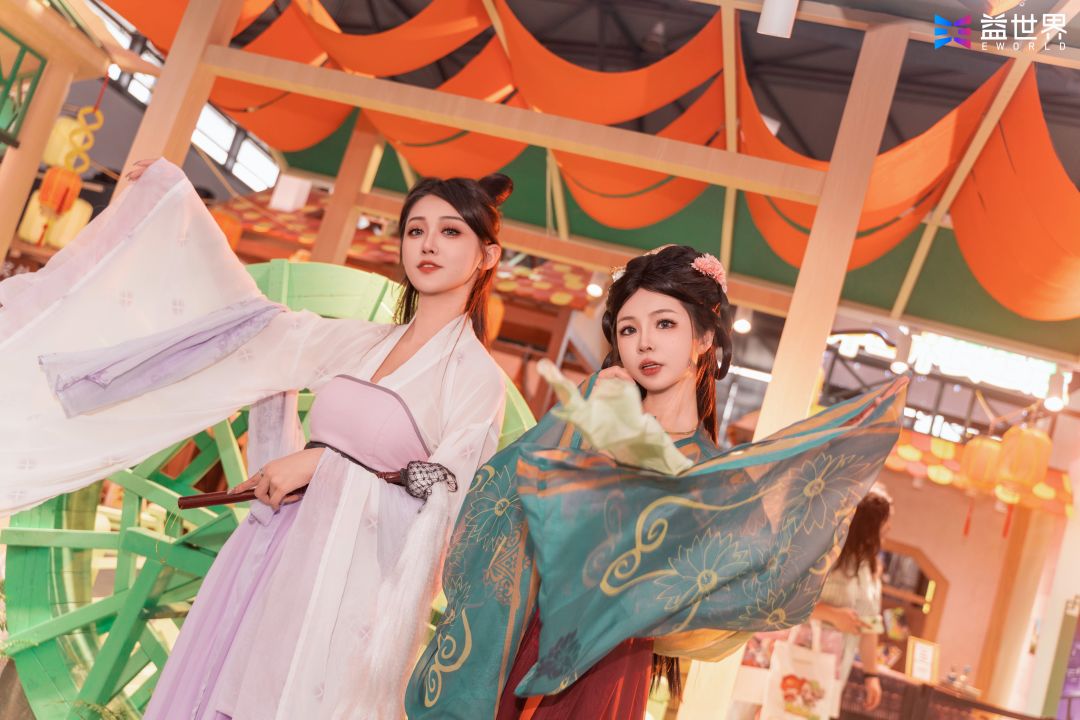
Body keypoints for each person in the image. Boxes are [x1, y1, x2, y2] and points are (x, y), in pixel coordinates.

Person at [0, 158, 514, 719]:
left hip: (346, 594)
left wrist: (321, 468)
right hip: (271, 552)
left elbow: (451, 498)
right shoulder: (360, 342)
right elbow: (250, 329)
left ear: (487, 256)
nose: (428, 245)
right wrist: (176, 204)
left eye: (450, 232)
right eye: (416, 230)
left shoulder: (475, 379)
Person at [405, 245, 908, 719]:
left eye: (665, 323)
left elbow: (730, 596)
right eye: (628, 329)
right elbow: (498, 498)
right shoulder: (593, 418)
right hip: (524, 644)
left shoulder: (713, 477)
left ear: (705, 338)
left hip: (610, 669)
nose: (643, 342)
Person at [731, 487, 893, 719]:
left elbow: (869, 626)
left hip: (826, 668)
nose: (889, 528)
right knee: (760, 708)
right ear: (869, 524)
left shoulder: (869, 567)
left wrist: (871, 675)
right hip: (785, 653)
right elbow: (782, 601)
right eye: (885, 521)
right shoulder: (824, 553)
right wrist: (832, 615)